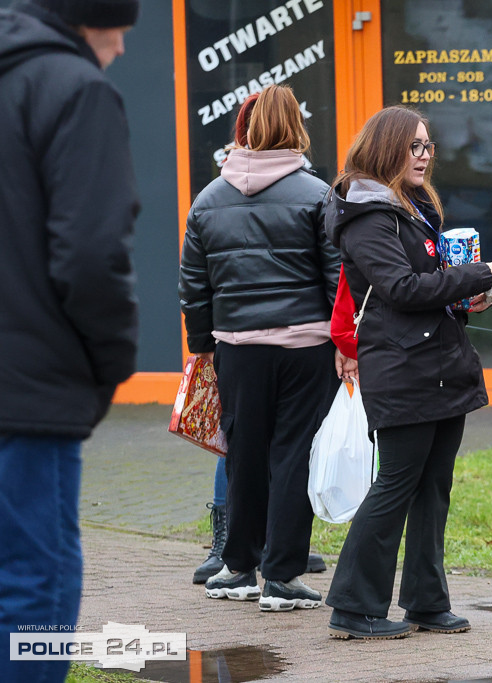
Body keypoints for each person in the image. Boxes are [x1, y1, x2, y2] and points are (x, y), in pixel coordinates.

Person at [322, 105, 492, 640]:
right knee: (397, 484)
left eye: (428, 146)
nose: (424, 156)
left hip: (439, 364)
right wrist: (472, 277)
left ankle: (426, 601)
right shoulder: (369, 216)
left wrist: (468, 298)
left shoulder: (413, 209)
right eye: (414, 146)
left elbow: (425, 286)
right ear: (387, 149)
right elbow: (400, 289)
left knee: (433, 487)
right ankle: (353, 607)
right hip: (402, 369)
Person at [0, 1, 140, 681]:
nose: (118, 52)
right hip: (28, 392)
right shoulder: (75, 89)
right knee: (37, 594)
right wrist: (110, 365)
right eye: (119, 35)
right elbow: (90, 255)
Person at [178, 84, 340, 612]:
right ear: (296, 127)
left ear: (243, 131)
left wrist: (203, 348)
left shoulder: (207, 199)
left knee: (245, 451)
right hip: (305, 347)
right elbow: (338, 277)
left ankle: (237, 567)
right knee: (294, 452)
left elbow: (193, 287)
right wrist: (346, 343)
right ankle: (284, 575)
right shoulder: (317, 195)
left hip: (237, 350)